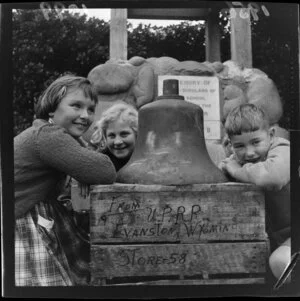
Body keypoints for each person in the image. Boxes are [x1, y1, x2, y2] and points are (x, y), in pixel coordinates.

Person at [14, 74, 117, 286]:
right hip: (19, 218)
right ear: (52, 109)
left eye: (90, 109)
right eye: (76, 106)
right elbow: (103, 171)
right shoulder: (48, 136)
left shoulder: (47, 133)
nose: (85, 115)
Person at [219, 103, 291, 281]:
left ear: (271, 135)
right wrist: (227, 167)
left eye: (255, 142)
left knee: (281, 261)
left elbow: (274, 177)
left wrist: (236, 171)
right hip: (275, 238)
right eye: (240, 146)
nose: (249, 153)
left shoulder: (282, 149)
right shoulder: (238, 160)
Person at [90, 103, 138, 171]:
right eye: (112, 136)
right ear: (105, 137)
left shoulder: (147, 160)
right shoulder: (100, 164)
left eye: (124, 134)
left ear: (137, 134)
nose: (117, 142)